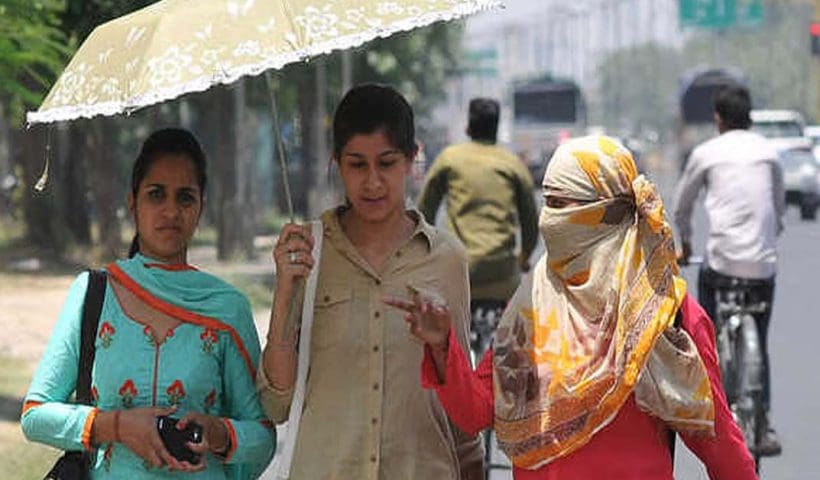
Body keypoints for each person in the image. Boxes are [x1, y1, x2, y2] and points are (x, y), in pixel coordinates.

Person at [386, 135, 759, 479]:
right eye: (549, 203)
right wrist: (441, 345)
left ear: (607, 214)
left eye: (566, 206)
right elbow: (476, 410)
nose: (552, 220)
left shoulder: (668, 318)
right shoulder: (532, 308)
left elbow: (719, 444)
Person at [256, 84, 484, 479]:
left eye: (387, 163)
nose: (373, 182)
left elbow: (462, 412)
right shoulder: (306, 254)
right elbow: (275, 405)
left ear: (413, 160)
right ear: (337, 164)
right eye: (357, 165)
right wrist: (283, 293)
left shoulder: (446, 260)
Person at [21, 128, 275, 478]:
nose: (171, 210)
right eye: (156, 195)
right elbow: (35, 415)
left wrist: (218, 434)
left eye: (185, 197)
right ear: (133, 203)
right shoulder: (95, 293)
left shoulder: (226, 308)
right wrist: (117, 426)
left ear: (201, 207)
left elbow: (262, 436)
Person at [674, 84, 784, 455]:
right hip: (763, 266)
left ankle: (716, 402)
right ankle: (764, 421)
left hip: (720, 265)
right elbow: (779, 209)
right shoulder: (769, 154)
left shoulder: (707, 154)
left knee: (706, 327)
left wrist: (685, 244)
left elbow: (682, 206)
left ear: (718, 118)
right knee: (762, 341)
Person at [417, 97, 538, 306]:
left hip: (457, 271)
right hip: (503, 275)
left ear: (468, 127)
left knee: (446, 333)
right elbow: (531, 222)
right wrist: (524, 258)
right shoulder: (513, 164)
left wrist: (427, 256)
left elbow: (424, 211)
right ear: (496, 127)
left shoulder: (449, 158)